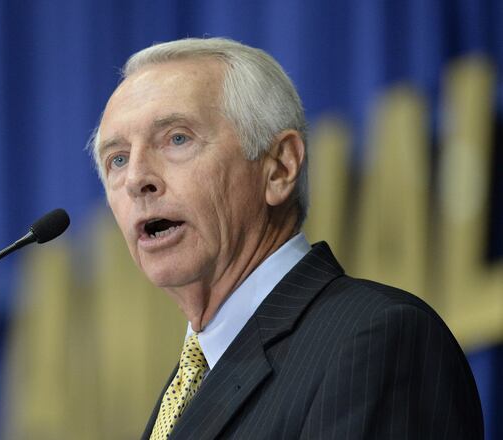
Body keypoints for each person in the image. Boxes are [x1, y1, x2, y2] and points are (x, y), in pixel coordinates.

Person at [90, 37, 483, 439]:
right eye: (117, 159)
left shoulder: (378, 338)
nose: (136, 178)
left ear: (279, 167)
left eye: (177, 138)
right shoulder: (192, 381)